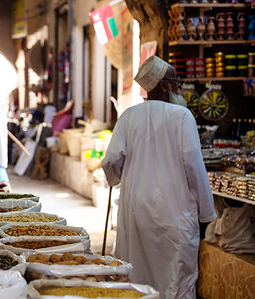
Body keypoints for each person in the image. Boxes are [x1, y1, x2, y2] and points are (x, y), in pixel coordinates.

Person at [102, 55, 216, 299]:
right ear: (164, 85)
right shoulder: (183, 117)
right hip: (174, 214)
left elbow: (111, 161)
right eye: (175, 82)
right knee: (176, 281)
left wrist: (114, 178)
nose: (179, 86)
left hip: (136, 213)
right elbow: (195, 168)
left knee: (137, 277)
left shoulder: (128, 117)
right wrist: (207, 214)